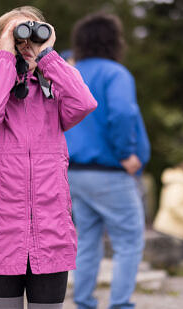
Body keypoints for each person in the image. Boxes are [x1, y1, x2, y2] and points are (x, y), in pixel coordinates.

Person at [0, 6, 97, 309]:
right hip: (2, 238)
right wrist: (5, 55)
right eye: (17, 39)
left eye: (30, 37)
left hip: (51, 237)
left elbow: (84, 101)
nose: (25, 45)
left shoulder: (53, 98)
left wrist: (47, 54)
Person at [64, 13, 151, 309]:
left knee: (87, 241)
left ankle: (84, 302)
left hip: (74, 172)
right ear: (113, 40)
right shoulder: (115, 73)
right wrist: (127, 153)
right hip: (109, 172)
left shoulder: (68, 71)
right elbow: (123, 114)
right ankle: (120, 304)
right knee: (130, 241)